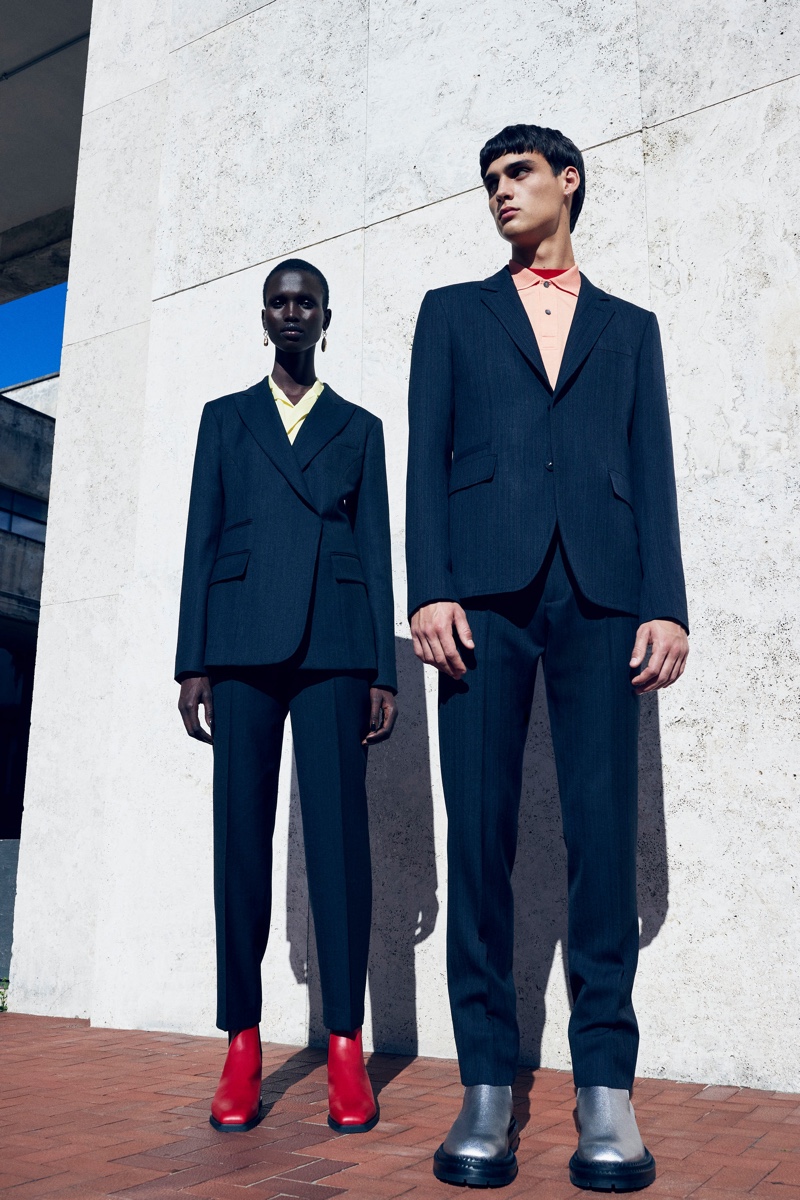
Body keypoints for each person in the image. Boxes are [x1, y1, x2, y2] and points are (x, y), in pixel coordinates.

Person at [405, 125, 689, 1191]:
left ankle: (604, 1087)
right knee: (478, 836)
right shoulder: (452, 313)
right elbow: (424, 456)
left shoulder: (629, 328)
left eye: (517, 173)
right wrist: (429, 587)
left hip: (603, 595)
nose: (500, 191)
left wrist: (665, 604)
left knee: (600, 839)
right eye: (489, 180)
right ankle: (486, 1081)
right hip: (482, 597)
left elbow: (651, 468)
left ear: (567, 182)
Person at [176, 259, 398, 1135]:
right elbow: (201, 538)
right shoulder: (224, 419)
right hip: (239, 646)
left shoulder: (359, 427)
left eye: (307, 301)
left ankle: (345, 1042)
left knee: (339, 845)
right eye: (280, 301)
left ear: (326, 318)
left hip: (336, 646)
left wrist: (382, 671)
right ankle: (241, 1040)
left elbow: (375, 549)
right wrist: (192, 660)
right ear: (264, 317)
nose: (293, 312)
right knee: (239, 842)